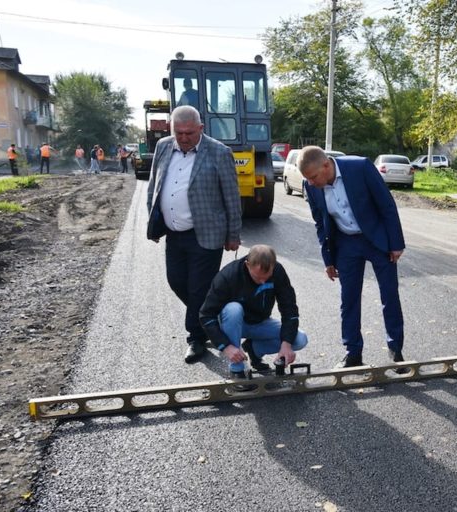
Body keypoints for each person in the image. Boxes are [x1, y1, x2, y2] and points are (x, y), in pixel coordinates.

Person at [147, 105, 242, 364]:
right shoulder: (164, 147)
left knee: (198, 288)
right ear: (171, 129)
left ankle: (196, 337)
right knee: (176, 281)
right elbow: (154, 184)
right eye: (179, 133)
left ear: (201, 129)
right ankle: (212, 317)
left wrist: (233, 233)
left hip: (207, 233)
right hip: (174, 233)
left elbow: (232, 197)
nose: (184, 138)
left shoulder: (219, 153)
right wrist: (152, 222)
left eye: (189, 133)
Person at [298, 146, 407, 369]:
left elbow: (386, 204)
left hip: (377, 240)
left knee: (389, 295)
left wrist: (396, 243)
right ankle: (353, 353)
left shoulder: (360, 167)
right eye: (307, 179)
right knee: (349, 300)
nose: (311, 183)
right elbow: (321, 223)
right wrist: (328, 259)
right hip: (346, 244)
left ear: (326, 165)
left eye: (313, 177)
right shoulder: (311, 187)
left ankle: (395, 349)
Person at [199, 245, 308, 381]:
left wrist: (286, 345)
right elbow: (206, 315)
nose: (262, 281)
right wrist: (226, 347)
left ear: (273, 266)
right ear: (247, 264)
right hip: (232, 324)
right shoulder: (229, 276)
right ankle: (237, 370)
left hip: (260, 322)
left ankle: (254, 350)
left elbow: (289, 309)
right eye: (257, 277)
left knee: (299, 339)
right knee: (233, 309)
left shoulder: (278, 272)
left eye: (266, 277)